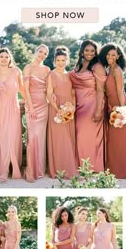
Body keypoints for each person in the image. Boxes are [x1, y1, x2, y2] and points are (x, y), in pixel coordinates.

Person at [98, 43, 126, 180]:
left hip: (121, 107)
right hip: (113, 108)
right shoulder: (108, 69)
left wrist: (123, 111)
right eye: (108, 54)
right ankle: (116, 170)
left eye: (113, 55)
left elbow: (120, 91)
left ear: (118, 56)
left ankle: (125, 172)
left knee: (122, 141)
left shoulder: (117, 70)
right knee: (115, 142)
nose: (110, 57)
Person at [0, 47, 25, 182]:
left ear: (10, 59)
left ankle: (6, 170)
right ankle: (3, 169)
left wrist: (32, 106)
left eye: (6, 56)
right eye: (1, 56)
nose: (4, 59)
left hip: (12, 109)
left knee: (10, 138)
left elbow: (22, 91)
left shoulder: (16, 72)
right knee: (1, 139)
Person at [69, 40, 107, 172]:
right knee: (78, 135)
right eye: (87, 50)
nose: (89, 53)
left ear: (96, 52)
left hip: (91, 105)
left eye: (92, 50)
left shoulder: (97, 66)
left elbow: (101, 90)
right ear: (82, 51)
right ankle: (81, 166)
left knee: (86, 136)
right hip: (78, 105)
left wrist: (98, 111)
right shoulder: (79, 64)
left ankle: (91, 167)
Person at [47, 46, 78, 179]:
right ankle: (60, 170)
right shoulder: (51, 75)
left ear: (67, 60)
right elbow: (49, 94)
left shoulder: (70, 75)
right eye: (58, 60)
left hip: (69, 110)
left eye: (63, 60)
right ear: (54, 61)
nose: (61, 63)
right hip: (56, 110)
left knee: (69, 139)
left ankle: (69, 167)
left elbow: (73, 93)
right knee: (60, 140)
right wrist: (59, 110)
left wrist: (73, 108)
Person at [23, 44, 50, 182]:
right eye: (40, 52)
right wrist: (31, 107)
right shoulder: (28, 68)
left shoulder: (47, 69)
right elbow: (26, 90)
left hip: (44, 106)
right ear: (36, 51)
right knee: (32, 137)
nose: (42, 55)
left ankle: (39, 170)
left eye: (45, 53)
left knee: (40, 137)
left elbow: (49, 89)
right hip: (32, 105)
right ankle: (30, 170)